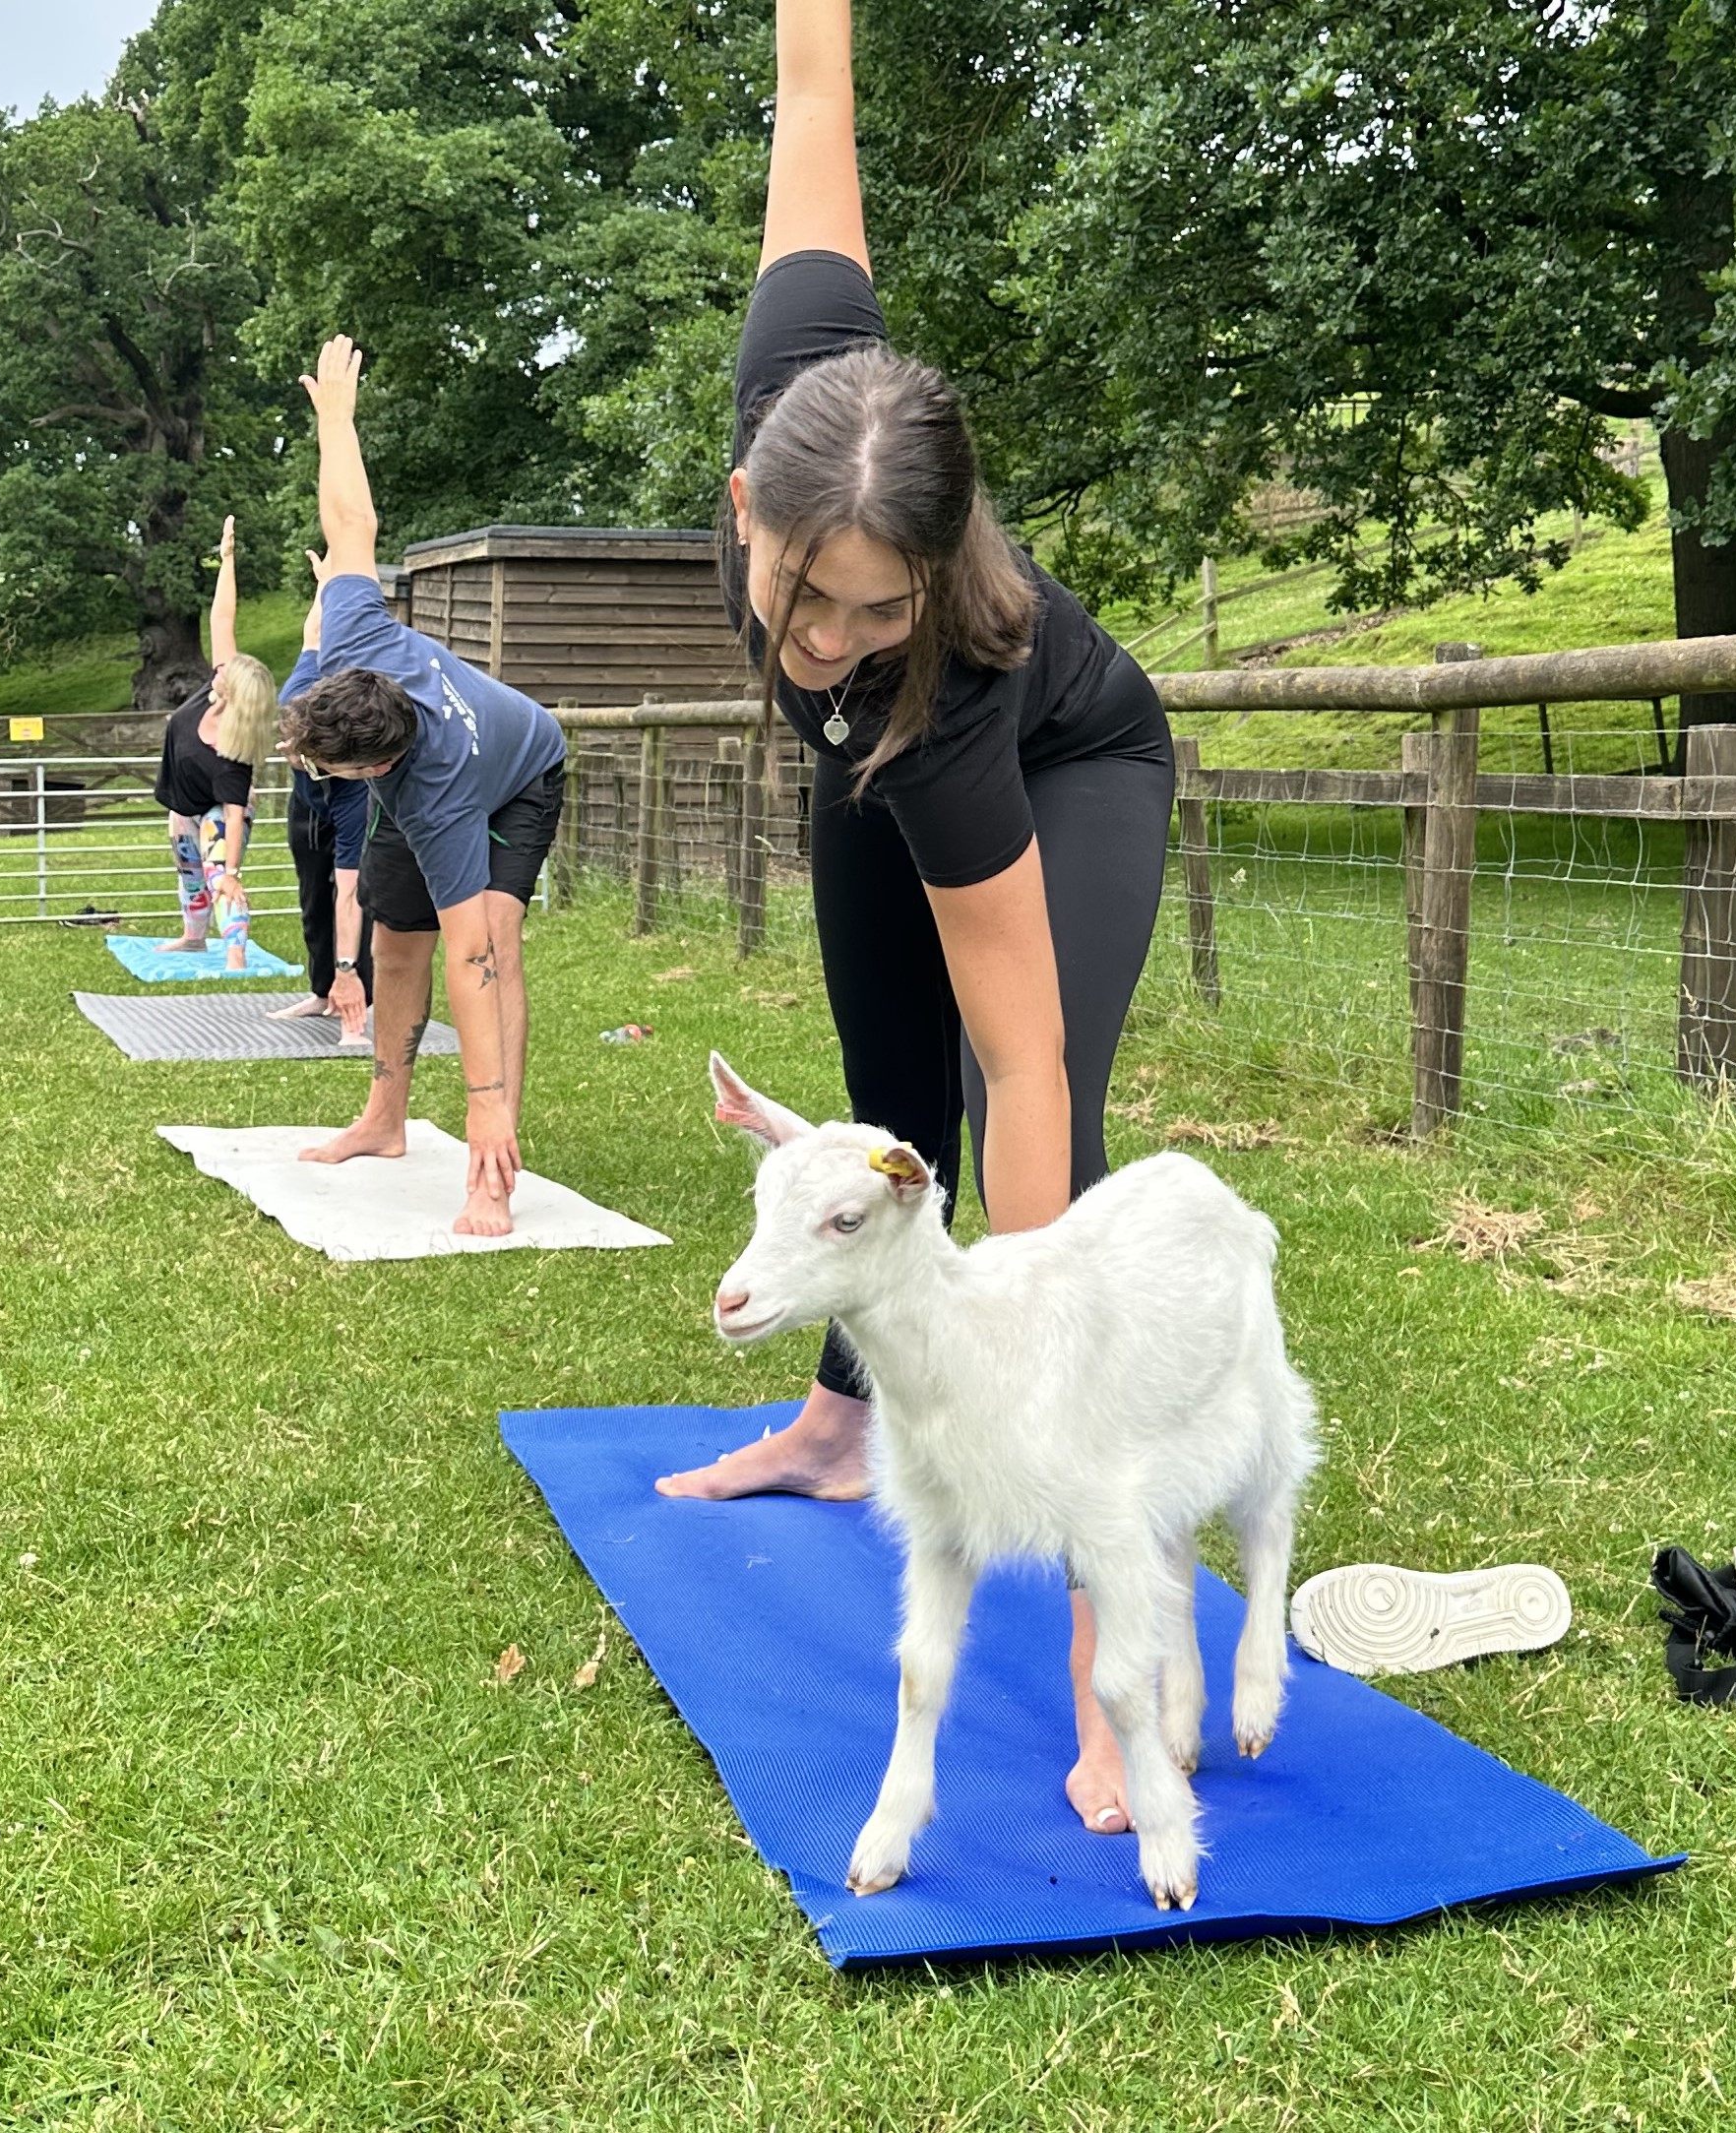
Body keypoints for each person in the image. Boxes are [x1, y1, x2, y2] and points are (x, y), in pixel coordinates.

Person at [651, 0, 1178, 1843]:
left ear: (931, 574)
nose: (826, 641)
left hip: (1061, 770)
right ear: (747, 504)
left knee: (1016, 1114)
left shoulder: (941, 693)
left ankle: (1121, 1647)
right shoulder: (801, 378)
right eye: (805, 601)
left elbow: (1023, 1078)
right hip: (865, 784)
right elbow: (811, 85)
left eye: (875, 611)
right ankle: (833, 1422)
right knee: (878, 1106)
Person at [281, 337, 568, 1237]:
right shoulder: (356, 631)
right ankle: (385, 1119)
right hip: (422, 775)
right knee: (394, 940)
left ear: (371, 769)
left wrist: (480, 1105)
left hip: (522, 771)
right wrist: (335, 418)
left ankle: (497, 1162)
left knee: (496, 938)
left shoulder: (436, 798)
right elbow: (352, 522)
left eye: (321, 769)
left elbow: (472, 960)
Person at [153, 517, 279, 972]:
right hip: (185, 805)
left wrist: (231, 870)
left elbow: (230, 812)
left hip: (220, 812)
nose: (218, 669)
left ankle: (236, 952)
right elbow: (221, 617)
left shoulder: (233, 751)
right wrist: (227, 560)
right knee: (188, 872)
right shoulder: (219, 685)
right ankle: (192, 937)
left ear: (235, 696)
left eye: (225, 673)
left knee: (216, 873)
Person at [269, 552, 373, 1039]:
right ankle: (320, 990)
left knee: (352, 896)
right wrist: (325, 584)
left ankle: (358, 996)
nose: (288, 755)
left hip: (349, 799)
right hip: (308, 807)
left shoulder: (355, 778)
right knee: (313, 897)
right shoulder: (301, 687)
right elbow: (313, 632)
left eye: (300, 755)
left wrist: (348, 967)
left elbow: (349, 893)